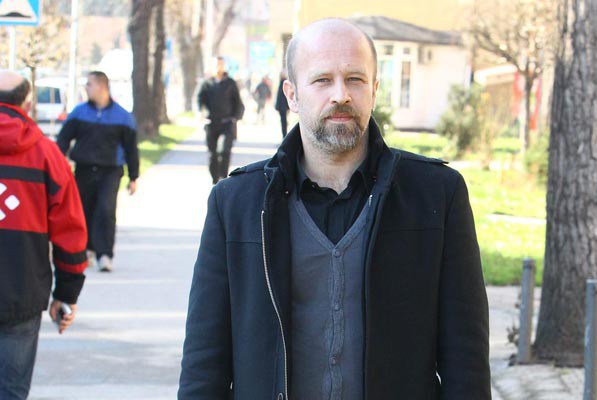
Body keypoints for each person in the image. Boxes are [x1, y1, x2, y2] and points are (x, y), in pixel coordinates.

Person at [179, 19, 490, 399]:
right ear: (292, 95)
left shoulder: (436, 195)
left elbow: (466, 361)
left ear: (374, 90)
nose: (340, 95)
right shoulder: (236, 204)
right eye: (322, 80)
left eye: (355, 79)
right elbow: (204, 363)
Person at [0, 70, 88, 399]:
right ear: (27, 103)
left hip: (21, 295)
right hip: (21, 293)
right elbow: (70, 229)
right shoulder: (47, 155)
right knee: (11, 391)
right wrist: (66, 293)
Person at [57, 71, 139, 273]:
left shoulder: (122, 116)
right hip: (84, 169)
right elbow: (64, 139)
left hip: (110, 170)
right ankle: (87, 249)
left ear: (102, 86)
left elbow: (131, 149)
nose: (86, 88)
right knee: (83, 210)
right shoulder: (79, 112)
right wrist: (59, 162)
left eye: (89, 84)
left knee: (105, 210)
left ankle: (105, 254)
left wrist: (133, 176)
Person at [197, 57, 245, 184]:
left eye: (221, 64)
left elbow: (238, 103)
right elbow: (199, 101)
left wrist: (235, 118)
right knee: (212, 154)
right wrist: (201, 114)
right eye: (216, 65)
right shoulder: (206, 83)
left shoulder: (230, 83)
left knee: (224, 151)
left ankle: (223, 180)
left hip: (226, 123)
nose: (219, 67)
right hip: (211, 123)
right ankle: (215, 180)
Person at [275, 69, 290, 138]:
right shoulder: (282, 83)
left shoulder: (282, 83)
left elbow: (281, 96)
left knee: (283, 121)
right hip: (283, 106)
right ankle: (284, 135)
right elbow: (280, 96)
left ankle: (284, 135)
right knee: (284, 121)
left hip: (282, 106)